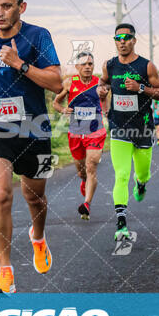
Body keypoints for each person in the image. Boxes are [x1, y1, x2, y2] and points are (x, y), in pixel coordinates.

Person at [0, 0, 62, 294]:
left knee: (34, 197)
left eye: (7, 6)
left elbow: (56, 82)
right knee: (1, 193)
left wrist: (20, 64)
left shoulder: (39, 36)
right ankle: (5, 273)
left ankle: (38, 237)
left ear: (21, 6)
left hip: (34, 129)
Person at [97, 23, 159, 240]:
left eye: (126, 38)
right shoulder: (109, 65)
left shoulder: (146, 66)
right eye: (117, 38)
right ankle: (121, 224)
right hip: (119, 127)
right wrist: (102, 92)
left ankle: (141, 183)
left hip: (143, 129)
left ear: (134, 40)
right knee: (121, 174)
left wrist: (141, 89)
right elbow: (103, 84)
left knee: (143, 173)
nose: (122, 42)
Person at [53, 51, 107, 220]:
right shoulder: (70, 83)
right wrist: (63, 110)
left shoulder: (100, 83)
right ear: (77, 66)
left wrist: (104, 104)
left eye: (90, 64)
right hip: (75, 133)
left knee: (91, 166)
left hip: (95, 131)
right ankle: (84, 181)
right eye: (83, 64)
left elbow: (106, 104)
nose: (87, 67)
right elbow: (55, 103)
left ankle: (87, 204)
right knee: (82, 171)